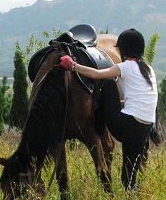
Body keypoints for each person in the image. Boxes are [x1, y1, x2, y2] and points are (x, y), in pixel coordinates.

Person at [59, 28, 157, 191]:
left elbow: (97, 74)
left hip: (126, 126)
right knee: (129, 177)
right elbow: (139, 97)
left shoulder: (125, 67)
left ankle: (98, 123)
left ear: (123, 50)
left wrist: (73, 66)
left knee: (109, 82)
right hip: (145, 128)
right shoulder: (148, 70)